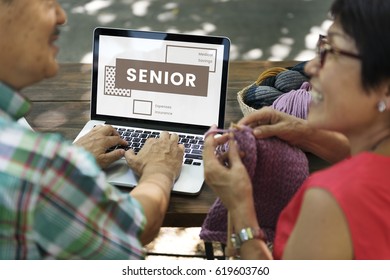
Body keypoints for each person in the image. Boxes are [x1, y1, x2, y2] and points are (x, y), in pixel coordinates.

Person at [203, 0, 390, 259]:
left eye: (333, 52)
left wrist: (240, 210)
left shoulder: (330, 203)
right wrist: (305, 133)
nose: (312, 67)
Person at [0, 0, 184, 259]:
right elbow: (132, 228)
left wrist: (68, 168)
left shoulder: (36, 166)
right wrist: (160, 171)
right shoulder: (37, 167)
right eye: (47, 3)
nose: (62, 17)